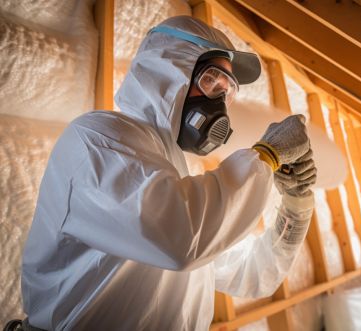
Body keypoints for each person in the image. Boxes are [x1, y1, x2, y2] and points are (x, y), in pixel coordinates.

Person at [15, 16, 317, 330]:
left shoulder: (175, 174)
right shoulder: (97, 139)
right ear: (167, 75)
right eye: (212, 81)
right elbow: (179, 238)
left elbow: (251, 273)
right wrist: (267, 155)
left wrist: (296, 207)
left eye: (227, 93)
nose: (221, 105)